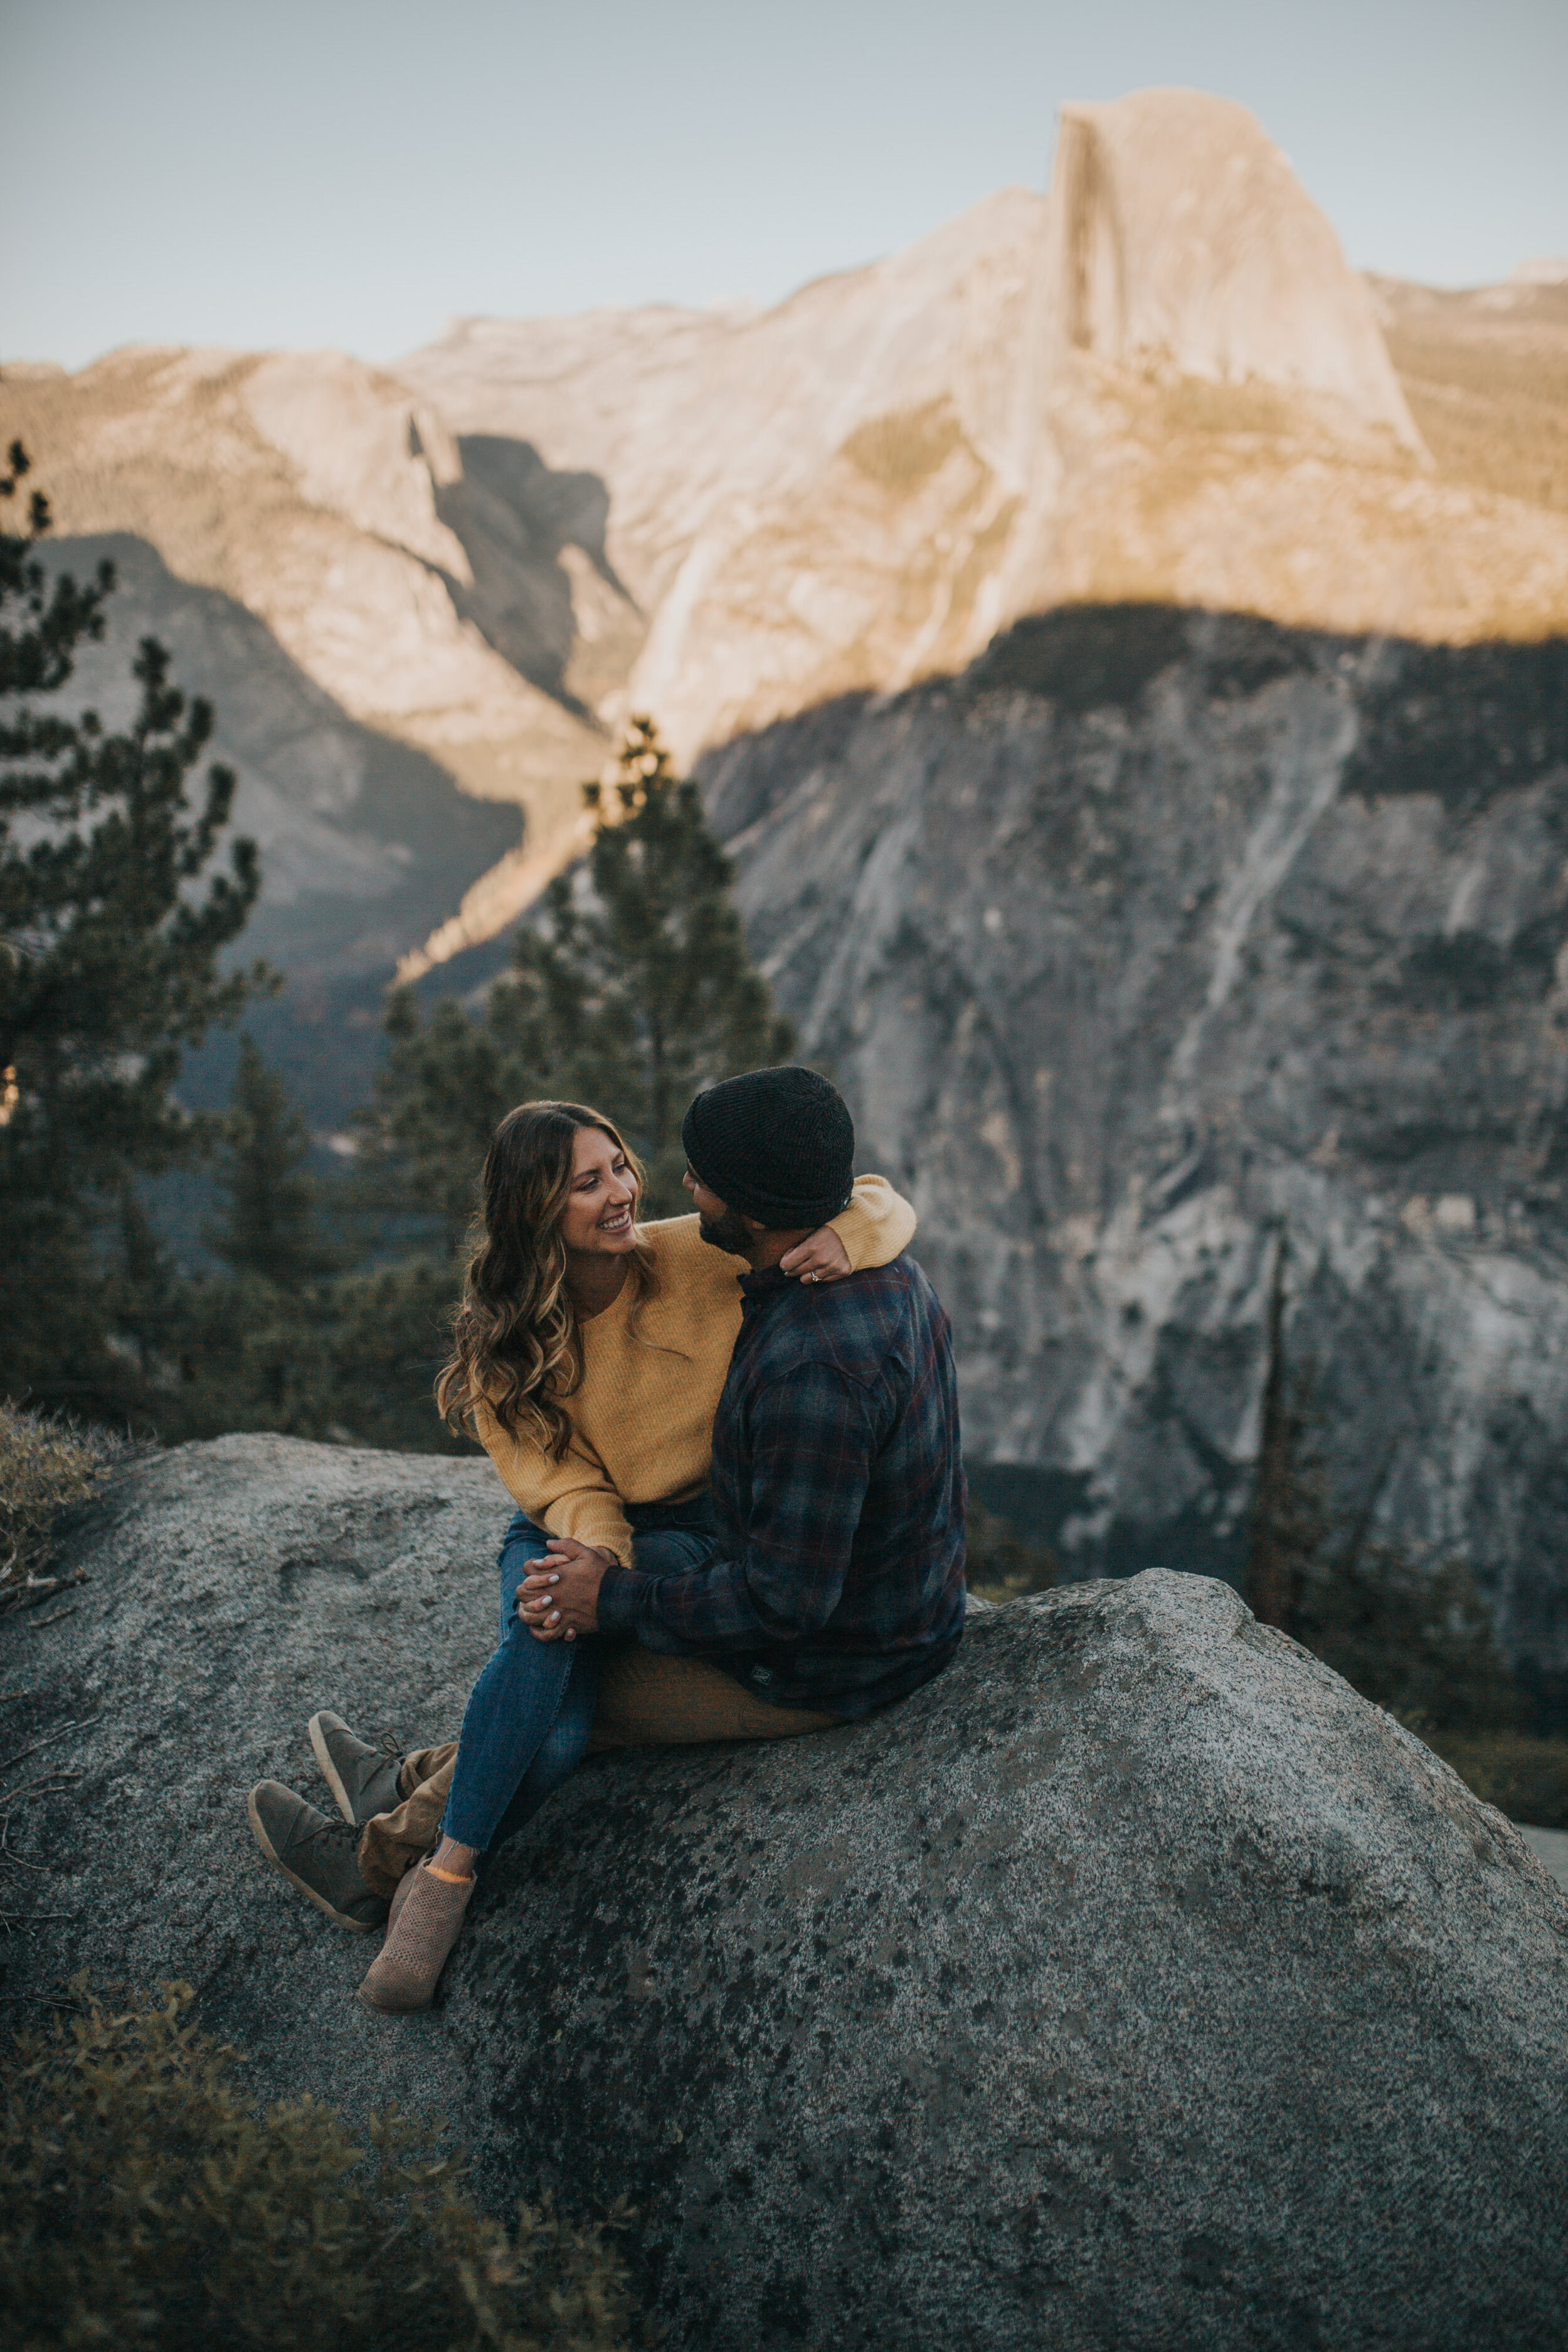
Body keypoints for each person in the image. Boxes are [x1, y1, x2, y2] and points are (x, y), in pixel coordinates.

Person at [247, 1079, 923, 1996]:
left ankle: (390, 1841)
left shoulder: (696, 1252)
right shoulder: (505, 1352)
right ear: (535, 1212)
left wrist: (850, 1236)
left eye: (618, 1167)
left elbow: (871, 1198)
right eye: (586, 1183)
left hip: (695, 1535)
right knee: (552, 1672)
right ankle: (422, 1859)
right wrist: (596, 1563)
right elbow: (569, 1487)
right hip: (569, 1530)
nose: (623, 1193)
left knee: (564, 1727)